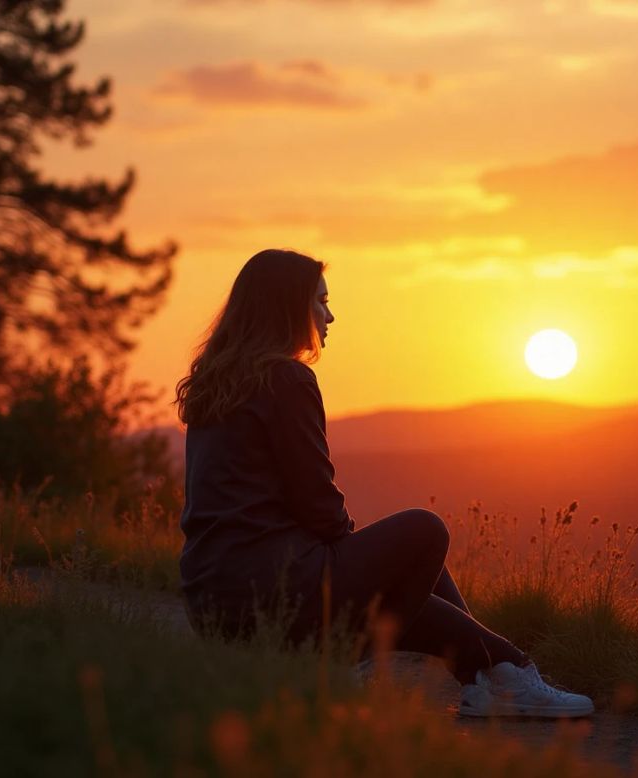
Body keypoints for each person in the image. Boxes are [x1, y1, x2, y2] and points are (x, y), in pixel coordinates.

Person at [175, 248, 594, 718]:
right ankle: (499, 670)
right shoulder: (286, 378)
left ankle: (491, 675)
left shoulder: (215, 382)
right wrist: (357, 559)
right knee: (423, 530)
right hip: (273, 593)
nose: (330, 316)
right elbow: (318, 506)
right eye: (321, 302)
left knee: (402, 559)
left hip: (213, 602)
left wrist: (365, 563)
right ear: (289, 307)